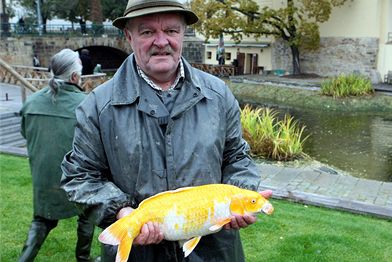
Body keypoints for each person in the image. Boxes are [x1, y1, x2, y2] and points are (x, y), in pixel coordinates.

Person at [60, 0, 272, 261]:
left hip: (214, 252)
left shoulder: (218, 95)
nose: (161, 41)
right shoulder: (97, 106)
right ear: (129, 35)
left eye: (171, 30)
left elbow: (238, 158)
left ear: (183, 32)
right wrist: (121, 212)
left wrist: (239, 198)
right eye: (147, 31)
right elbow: (79, 177)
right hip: (138, 253)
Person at [19, 49, 96, 262]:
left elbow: (25, 134)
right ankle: (83, 258)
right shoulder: (87, 104)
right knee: (88, 213)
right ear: (74, 77)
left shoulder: (31, 103)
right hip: (76, 180)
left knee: (41, 220)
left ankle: (24, 259)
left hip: (44, 180)